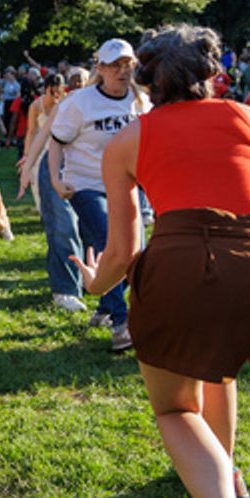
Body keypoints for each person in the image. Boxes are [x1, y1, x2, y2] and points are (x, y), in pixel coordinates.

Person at [72, 24, 250, 498]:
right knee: (216, 362)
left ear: (148, 79)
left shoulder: (129, 138)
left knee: (175, 408)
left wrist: (91, 284)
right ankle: (224, 474)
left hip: (189, 267)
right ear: (212, 72)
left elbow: (124, 250)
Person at [48, 39, 151, 351]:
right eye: (115, 65)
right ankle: (122, 323)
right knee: (113, 243)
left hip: (127, 185)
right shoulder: (80, 103)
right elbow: (55, 141)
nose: (123, 71)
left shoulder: (140, 101)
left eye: (128, 64)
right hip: (86, 183)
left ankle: (106, 308)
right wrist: (55, 179)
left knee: (136, 250)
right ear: (101, 68)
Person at [17, 70, 88, 313]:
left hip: (93, 171)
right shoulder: (65, 105)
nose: (78, 82)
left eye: (82, 78)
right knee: (63, 227)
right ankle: (65, 290)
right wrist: (27, 166)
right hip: (55, 166)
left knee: (92, 228)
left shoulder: (114, 104)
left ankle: (94, 280)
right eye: (74, 78)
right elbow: (39, 134)